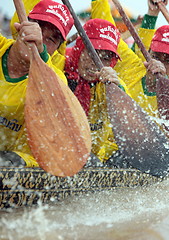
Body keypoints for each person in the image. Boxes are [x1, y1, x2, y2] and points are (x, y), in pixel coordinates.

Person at [0, 0, 73, 167]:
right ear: (20, 27)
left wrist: (40, 53)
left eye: (51, 39)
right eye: (38, 29)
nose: (38, 39)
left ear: (57, 49)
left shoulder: (56, 80)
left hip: (17, 163)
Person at [64, 18, 132, 167]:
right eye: (92, 53)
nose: (96, 62)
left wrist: (116, 90)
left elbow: (130, 125)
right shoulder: (59, 68)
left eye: (106, 58)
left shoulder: (112, 84)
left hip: (93, 157)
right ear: (80, 48)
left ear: (113, 62)